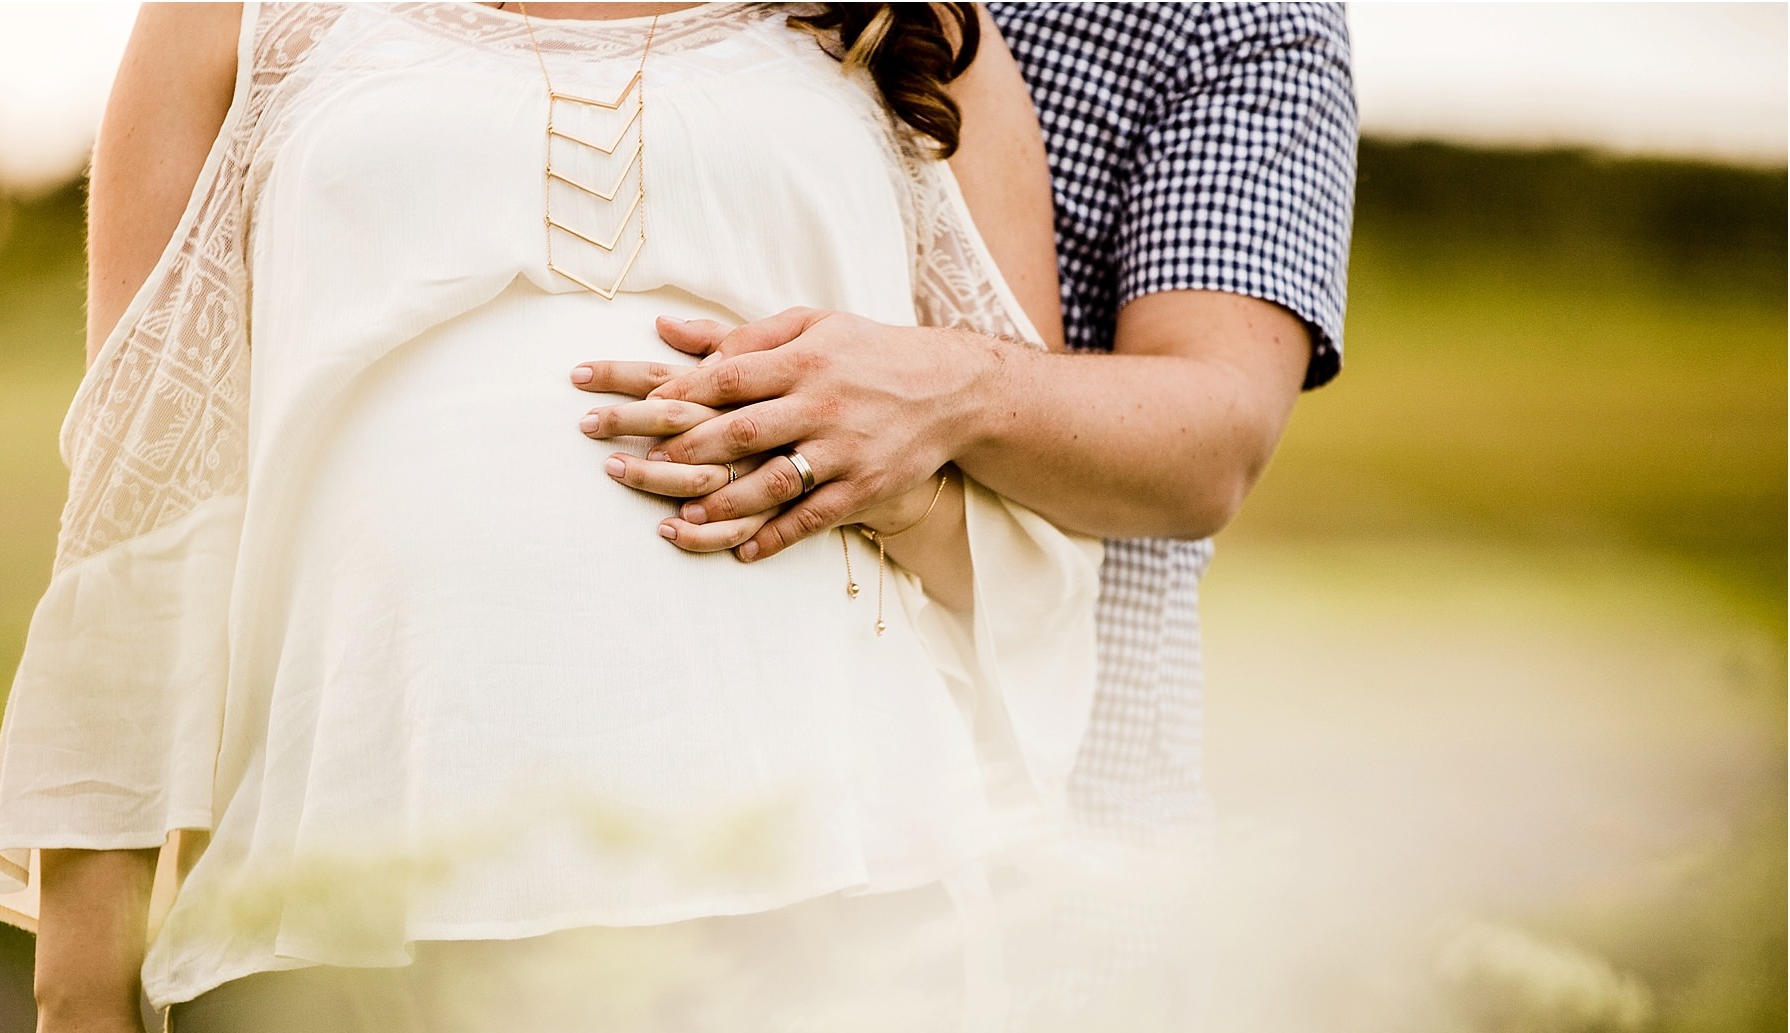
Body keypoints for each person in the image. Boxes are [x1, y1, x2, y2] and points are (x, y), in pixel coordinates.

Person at [0, 0, 1108, 1033]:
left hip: (819, 885)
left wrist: (888, 489)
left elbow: (1030, 526)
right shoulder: (234, 16)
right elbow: (140, 515)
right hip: (344, 890)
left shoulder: (914, 32)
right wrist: (79, 1000)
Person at [577, 2, 1359, 838]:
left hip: (1043, 794)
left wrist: (951, 386)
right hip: (628, 730)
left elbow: (1214, 440)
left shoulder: (1233, 18)